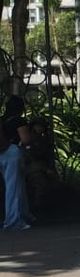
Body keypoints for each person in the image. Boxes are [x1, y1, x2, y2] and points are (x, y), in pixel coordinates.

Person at [0, 96, 33, 230]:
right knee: (14, 187)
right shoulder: (19, 120)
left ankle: (24, 215)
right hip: (12, 152)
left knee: (11, 186)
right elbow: (25, 140)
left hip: (1, 153)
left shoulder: (2, 119)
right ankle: (13, 220)